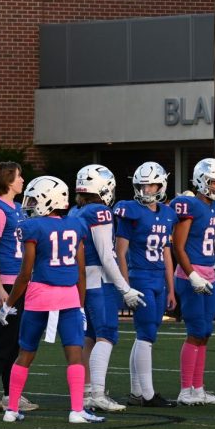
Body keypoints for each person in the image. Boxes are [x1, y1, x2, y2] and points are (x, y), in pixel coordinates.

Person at [0, 175, 104, 424]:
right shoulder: (76, 226)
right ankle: (76, 409)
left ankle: (11, 409)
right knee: (74, 354)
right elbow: (80, 271)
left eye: (35, 199)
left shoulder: (33, 228)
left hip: (39, 296)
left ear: (49, 200)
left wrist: (8, 304)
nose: (31, 204)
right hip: (68, 296)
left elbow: (25, 274)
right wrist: (80, 305)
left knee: (26, 352)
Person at [71, 164, 145, 412]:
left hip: (81, 282)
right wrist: (125, 288)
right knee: (107, 335)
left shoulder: (75, 212)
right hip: (99, 282)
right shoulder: (100, 212)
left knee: (90, 336)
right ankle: (98, 394)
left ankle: (87, 390)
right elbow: (106, 255)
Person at [113, 161, 178, 407]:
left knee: (146, 335)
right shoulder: (130, 211)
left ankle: (137, 392)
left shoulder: (168, 213)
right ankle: (148, 395)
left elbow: (166, 252)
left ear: (161, 185)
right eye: (141, 185)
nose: (145, 190)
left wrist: (171, 287)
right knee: (146, 334)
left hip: (159, 278)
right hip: (139, 276)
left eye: (150, 185)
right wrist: (125, 286)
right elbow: (120, 253)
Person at [0, 161, 38, 414]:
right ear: (7, 180)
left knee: (18, 339)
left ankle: (12, 391)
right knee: (3, 338)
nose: (23, 180)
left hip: (22, 280)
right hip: (5, 281)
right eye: (18, 176)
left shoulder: (18, 208)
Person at [171, 157, 215, 406]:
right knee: (195, 332)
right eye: (213, 181)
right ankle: (186, 389)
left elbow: (209, 242)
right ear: (200, 180)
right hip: (190, 275)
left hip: (208, 273)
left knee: (205, 333)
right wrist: (192, 274)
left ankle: (198, 387)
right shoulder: (189, 205)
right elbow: (178, 245)